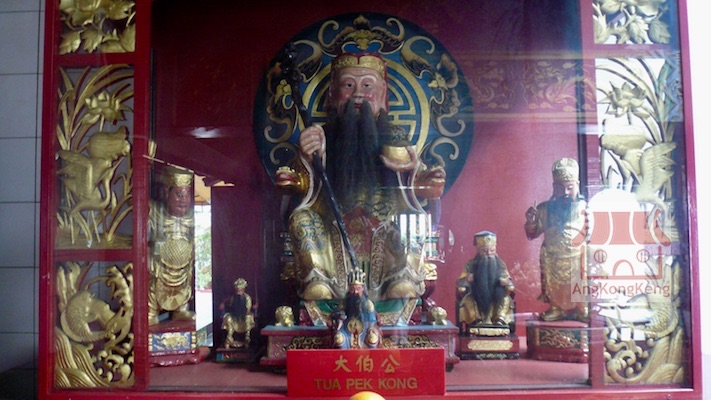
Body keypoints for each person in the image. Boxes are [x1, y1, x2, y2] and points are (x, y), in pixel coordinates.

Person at [277, 52, 445, 302]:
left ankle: (400, 278)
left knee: (414, 220)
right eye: (348, 85)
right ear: (333, 94)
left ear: (382, 93)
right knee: (301, 220)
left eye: (367, 85)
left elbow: (421, 185)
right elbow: (299, 184)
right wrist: (305, 160)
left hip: (385, 226)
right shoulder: (322, 137)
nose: (358, 93)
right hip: (331, 226)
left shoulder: (395, 138)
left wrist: (421, 177)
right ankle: (319, 280)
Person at [524, 158, 588, 322]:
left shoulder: (586, 208)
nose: (565, 192)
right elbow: (532, 234)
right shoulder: (545, 209)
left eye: (570, 187)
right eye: (560, 188)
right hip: (552, 257)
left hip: (577, 257)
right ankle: (555, 308)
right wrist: (531, 221)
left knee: (579, 284)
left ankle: (582, 308)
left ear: (577, 185)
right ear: (554, 187)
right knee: (553, 285)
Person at [148, 166, 195, 325]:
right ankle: (151, 311)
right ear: (167, 193)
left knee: (184, 283)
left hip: (182, 266)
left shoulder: (191, 217)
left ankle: (180, 309)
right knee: (152, 281)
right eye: (179, 195)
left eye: (187, 195)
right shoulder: (155, 212)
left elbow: (192, 239)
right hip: (159, 265)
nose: (184, 200)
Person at [456, 231, 514, 328]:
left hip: (496, 295)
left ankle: (499, 319)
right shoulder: (471, 264)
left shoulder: (500, 264)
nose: (488, 254)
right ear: (478, 250)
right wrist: (467, 280)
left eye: (492, 251)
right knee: (468, 300)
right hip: (476, 295)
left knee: (506, 299)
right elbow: (460, 282)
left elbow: (509, 281)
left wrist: (506, 282)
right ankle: (477, 320)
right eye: (484, 251)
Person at [332, 268, 381, 349]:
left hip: (365, 331)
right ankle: (344, 355)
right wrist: (340, 316)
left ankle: (370, 356)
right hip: (346, 331)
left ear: (363, 288)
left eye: (358, 289)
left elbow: (372, 322)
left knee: (372, 338)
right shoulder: (344, 303)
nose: (355, 292)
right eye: (352, 289)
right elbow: (337, 314)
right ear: (349, 289)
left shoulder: (368, 304)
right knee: (338, 339)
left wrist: (371, 330)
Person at [220, 278, 256, 348]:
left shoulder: (247, 298)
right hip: (234, 316)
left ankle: (247, 338)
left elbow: (248, 309)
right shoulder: (233, 298)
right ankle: (229, 337)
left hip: (244, 316)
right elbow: (230, 306)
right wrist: (223, 304)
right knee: (227, 318)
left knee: (248, 318)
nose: (238, 292)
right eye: (237, 291)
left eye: (240, 291)